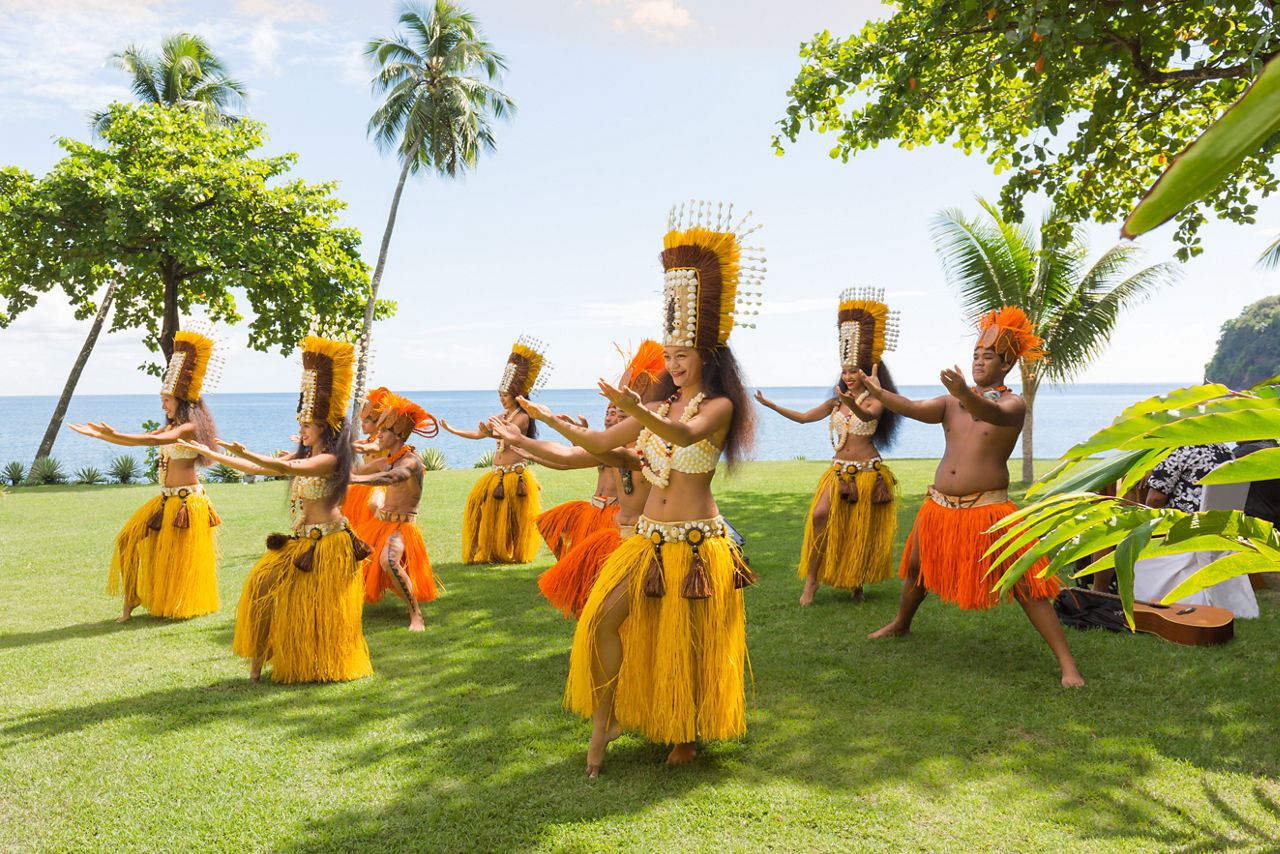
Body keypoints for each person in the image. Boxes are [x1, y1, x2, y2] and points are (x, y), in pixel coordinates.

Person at [527, 201, 763, 776]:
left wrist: (641, 412)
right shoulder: (654, 404)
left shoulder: (721, 407)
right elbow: (580, 454)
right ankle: (604, 722)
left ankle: (684, 731)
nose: (676, 363)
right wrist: (539, 423)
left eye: (685, 355)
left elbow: (681, 432)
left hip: (695, 542)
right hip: (646, 541)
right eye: (671, 355)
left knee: (683, 640)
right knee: (601, 621)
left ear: (708, 356)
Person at [861, 306, 1084, 688]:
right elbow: (913, 409)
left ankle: (1068, 666)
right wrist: (881, 394)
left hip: (990, 510)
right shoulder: (950, 403)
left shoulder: (1013, 405)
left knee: (1027, 583)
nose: (979, 362)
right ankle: (901, 623)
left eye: (988, 357)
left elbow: (990, 414)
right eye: (976, 356)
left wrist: (965, 392)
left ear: (1006, 365)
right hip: (939, 508)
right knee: (917, 567)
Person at [181, 336, 372, 684]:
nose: (300, 431)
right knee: (260, 584)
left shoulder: (328, 460)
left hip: (329, 546)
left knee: (315, 609)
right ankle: (257, 665)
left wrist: (250, 454)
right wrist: (218, 451)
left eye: (306, 426)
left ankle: (318, 664)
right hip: (300, 542)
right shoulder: (302, 454)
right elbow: (259, 469)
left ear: (324, 427)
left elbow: (286, 469)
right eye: (300, 425)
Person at [493, 340, 670, 617]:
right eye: (611, 410)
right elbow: (567, 456)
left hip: (648, 542)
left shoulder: (654, 447)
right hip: (622, 536)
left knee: (619, 617)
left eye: (621, 410)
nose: (614, 414)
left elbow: (584, 451)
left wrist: (545, 427)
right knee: (602, 616)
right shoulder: (615, 449)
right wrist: (524, 443)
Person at [755, 287, 902, 604]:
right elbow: (805, 418)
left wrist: (855, 402)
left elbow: (866, 414)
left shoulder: (876, 401)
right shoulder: (836, 403)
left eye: (854, 371)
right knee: (820, 516)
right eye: (845, 371)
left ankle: (856, 582)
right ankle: (811, 581)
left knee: (858, 529)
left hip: (868, 473)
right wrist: (771, 406)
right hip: (838, 473)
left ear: (867, 373)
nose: (848, 376)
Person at [69, 328, 223, 623]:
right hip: (165, 500)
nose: (163, 405)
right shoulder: (167, 429)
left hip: (187, 503)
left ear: (181, 401)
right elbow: (140, 438)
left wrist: (114, 435)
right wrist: (104, 436)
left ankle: (168, 602)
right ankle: (134, 597)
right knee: (127, 540)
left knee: (176, 559)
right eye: (162, 399)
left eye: (166, 400)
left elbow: (152, 442)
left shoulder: (188, 429)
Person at [442, 337, 550, 564]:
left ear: (516, 396)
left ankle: (513, 552)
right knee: (477, 505)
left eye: (505, 395)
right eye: (499, 395)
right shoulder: (501, 417)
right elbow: (479, 433)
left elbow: (508, 434)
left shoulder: (522, 417)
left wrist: (492, 433)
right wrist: (452, 430)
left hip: (516, 476)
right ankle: (475, 550)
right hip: (497, 474)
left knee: (513, 520)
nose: (502, 399)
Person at [349, 392, 440, 631]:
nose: (378, 434)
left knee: (388, 560)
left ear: (398, 435)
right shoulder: (386, 460)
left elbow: (390, 478)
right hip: (378, 524)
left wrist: (357, 480)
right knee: (346, 558)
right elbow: (358, 472)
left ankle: (416, 615)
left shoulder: (410, 462)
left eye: (383, 431)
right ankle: (343, 609)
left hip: (401, 528)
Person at [343, 386, 391, 533]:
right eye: (362, 421)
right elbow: (354, 445)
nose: (362, 424)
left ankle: (385, 532)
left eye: (366, 422)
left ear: (377, 424)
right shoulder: (367, 441)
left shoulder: (380, 442)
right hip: (362, 485)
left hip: (379, 484)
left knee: (374, 505)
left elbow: (371, 448)